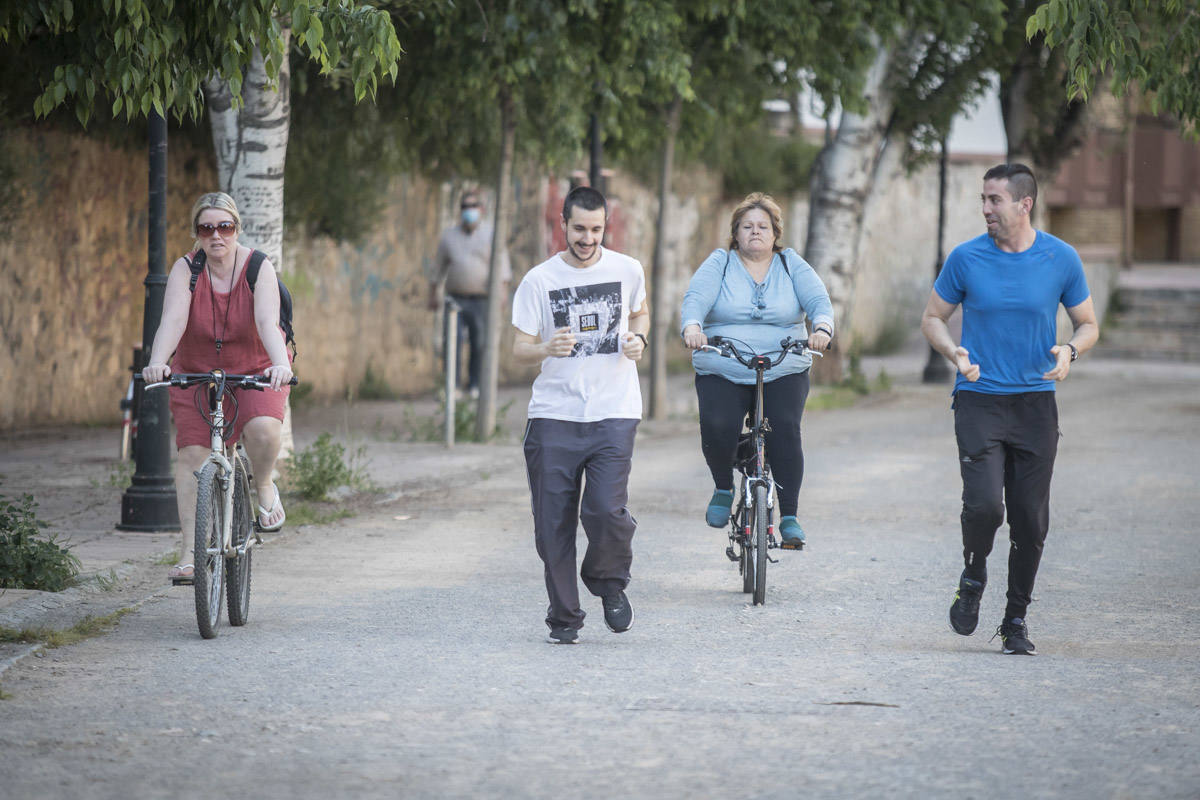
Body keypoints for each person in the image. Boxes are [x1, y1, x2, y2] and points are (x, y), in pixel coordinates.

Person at [921, 163, 1099, 655]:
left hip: (1036, 404)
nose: (985, 210)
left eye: (993, 200)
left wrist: (1070, 351)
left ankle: (1015, 618)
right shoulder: (966, 258)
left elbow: (1087, 323)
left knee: (1030, 519)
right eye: (982, 200)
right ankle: (974, 572)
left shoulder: (1060, 258)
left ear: (1025, 204)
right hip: (978, 398)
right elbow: (933, 317)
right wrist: (952, 352)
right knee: (984, 507)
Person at [512, 185, 649, 644]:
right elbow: (517, 348)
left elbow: (640, 314)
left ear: (604, 227)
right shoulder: (539, 280)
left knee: (606, 510)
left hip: (614, 410)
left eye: (595, 229)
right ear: (563, 226)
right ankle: (565, 617)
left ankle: (608, 584)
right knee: (553, 524)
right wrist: (544, 348)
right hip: (554, 414)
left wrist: (639, 340)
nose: (587, 238)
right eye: (579, 229)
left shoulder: (627, 269)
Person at [142, 192, 294, 583]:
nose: (216, 236)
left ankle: (262, 485)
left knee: (262, 428)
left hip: (257, 368)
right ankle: (190, 552)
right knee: (193, 455)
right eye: (206, 228)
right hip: (197, 371)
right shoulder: (186, 269)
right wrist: (158, 361)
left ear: (236, 229)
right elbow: (173, 319)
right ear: (197, 232)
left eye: (224, 227)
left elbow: (266, 321)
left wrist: (279, 364)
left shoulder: (258, 266)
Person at [680, 192, 833, 549]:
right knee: (718, 424)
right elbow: (695, 300)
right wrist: (692, 327)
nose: (755, 232)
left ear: (775, 233)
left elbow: (818, 302)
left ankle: (790, 516)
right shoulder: (720, 262)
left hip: (783, 363)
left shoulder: (790, 263)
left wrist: (822, 329)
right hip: (724, 361)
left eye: (763, 226)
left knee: (785, 430)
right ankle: (722, 487)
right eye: (747, 226)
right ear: (735, 232)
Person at [429, 190, 511, 398]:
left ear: (481, 210)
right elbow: (438, 267)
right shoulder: (449, 236)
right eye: (465, 207)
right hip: (454, 297)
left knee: (479, 342)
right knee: (452, 342)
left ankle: (474, 385)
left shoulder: (491, 234)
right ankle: (452, 386)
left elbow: (502, 267)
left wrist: (502, 294)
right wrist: (432, 293)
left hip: (481, 298)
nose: (469, 210)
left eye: (473, 206)